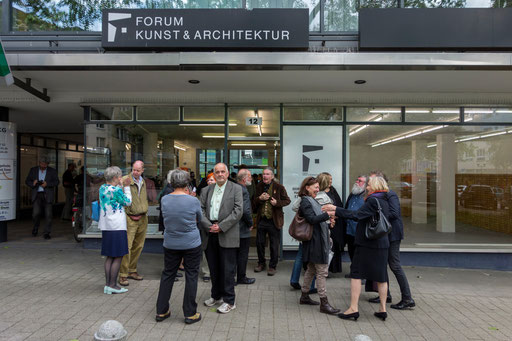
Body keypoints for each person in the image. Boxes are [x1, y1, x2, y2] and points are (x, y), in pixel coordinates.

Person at [325, 176, 391, 322]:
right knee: (381, 276)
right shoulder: (385, 199)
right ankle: (382, 309)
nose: (366, 187)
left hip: (368, 243)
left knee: (356, 273)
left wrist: (335, 209)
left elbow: (357, 215)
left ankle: (353, 309)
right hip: (382, 243)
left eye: (368, 185)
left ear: (374, 186)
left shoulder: (373, 200)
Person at [155, 169, 202, 324]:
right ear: (187, 183)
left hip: (171, 242)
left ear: (172, 183)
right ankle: (190, 313)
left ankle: (161, 311)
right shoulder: (193, 201)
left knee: (168, 274)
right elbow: (199, 218)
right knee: (191, 276)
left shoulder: (165, 199)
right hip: (191, 243)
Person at [366, 171, 416, 310]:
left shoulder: (390, 194)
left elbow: (394, 213)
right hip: (384, 235)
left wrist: (377, 213)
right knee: (382, 264)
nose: (369, 184)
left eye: (372, 180)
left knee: (394, 265)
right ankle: (385, 294)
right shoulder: (378, 196)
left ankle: (407, 298)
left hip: (392, 234)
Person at [200, 163, 243, 314]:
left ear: (227, 173)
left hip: (227, 231)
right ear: (213, 174)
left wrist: (222, 226)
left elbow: (238, 211)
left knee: (228, 270)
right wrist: (208, 225)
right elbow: (201, 209)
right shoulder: (206, 190)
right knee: (213, 267)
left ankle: (229, 301)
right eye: (217, 172)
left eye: (222, 172)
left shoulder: (236, 188)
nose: (219, 174)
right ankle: (216, 295)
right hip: (209, 231)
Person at [297, 177, 340, 315]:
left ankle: (304, 296)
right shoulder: (305, 201)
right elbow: (311, 219)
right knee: (322, 271)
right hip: (315, 242)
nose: (317, 189)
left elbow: (317, 218)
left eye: (317, 187)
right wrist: (327, 215)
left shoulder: (311, 200)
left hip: (315, 241)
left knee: (311, 269)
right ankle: (324, 303)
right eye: (315, 187)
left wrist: (327, 220)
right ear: (307, 187)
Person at [98, 166, 132, 295]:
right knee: (118, 256)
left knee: (109, 256)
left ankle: (108, 284)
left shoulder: (103, 188)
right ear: (114, 178)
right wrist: (127, 187)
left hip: (106, 225)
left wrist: (120, 186)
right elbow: (128, 202)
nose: (120, 178)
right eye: (119, 176)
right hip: (117, 226)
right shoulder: (116, 189)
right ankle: (113, 285)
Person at [253, 167, 291, 275]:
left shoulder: (279, 187)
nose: (265, 176)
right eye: (264, 174)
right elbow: (254, 202)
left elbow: (287, 200)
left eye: (267, 174)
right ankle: (261, 263)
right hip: (262, 220)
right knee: (259, 243)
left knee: (274, 245)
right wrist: (259, 198)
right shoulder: (259, 186)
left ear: (272, 176)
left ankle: (272, 266)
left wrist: (277, 203)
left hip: (274, 220)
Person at [119, 160, 149, 286]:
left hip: (142, 217)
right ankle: (123, 274)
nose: (135, 172)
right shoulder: (125, 180)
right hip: (130, 217)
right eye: (134, 169)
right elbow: (120, 198)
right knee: (127, 246)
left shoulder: (143, 181)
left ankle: (132, 270)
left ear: (142, 170)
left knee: (139, 246)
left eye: (138, 170)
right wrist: (127, 212)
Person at [25, 157, 60, 239]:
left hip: (47, 195)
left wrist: (47, 184)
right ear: (39, 162)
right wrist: (33, 183)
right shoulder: (33, 170)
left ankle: (47, 232)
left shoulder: (52, 171)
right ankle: (35, 227)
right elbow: (27, 181)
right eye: (41, 164)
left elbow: (57, 182)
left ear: (47, 164)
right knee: (35, 213)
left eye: (45, 164)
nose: (43, 165)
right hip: (37, 194)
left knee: (48, 215)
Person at [289, 195, 317, 293]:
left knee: (300, 255)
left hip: (304, 231)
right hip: (311, 231)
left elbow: (294, 207)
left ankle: (294, 280)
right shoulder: (318, 197)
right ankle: (311, 286)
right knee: (312, 258)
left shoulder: (303, 197)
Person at [343, 175, 367, 278]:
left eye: (360, 181)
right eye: (357, 180)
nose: (357, 182)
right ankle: (354, 271)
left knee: (361, 254)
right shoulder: (353, 194)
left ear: (366, 184)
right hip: (349, 229)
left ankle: (362, 275)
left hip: (360, 230)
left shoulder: (366, 196)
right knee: (351, 251)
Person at [320, 172, 344, 274]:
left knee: (333, 246)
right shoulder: (318, 192)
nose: (331, 181)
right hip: (322, 222)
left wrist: (335, 215)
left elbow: (339, 206)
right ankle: (321, 269)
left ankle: (331, 268)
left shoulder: (333, 191)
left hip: (334, 224)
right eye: (329, 179)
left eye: (331, 179)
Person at [235, 169, 256, 285]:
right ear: (244, 179)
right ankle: (241, 277)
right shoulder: (244, 190)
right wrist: (251, 223)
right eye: (250, 177)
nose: (251, 179)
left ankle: (231, 278)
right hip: (242, 228)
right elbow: (246, 210)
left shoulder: (233, 188)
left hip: (233, 227)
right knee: (242, 254)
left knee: (233, 255)